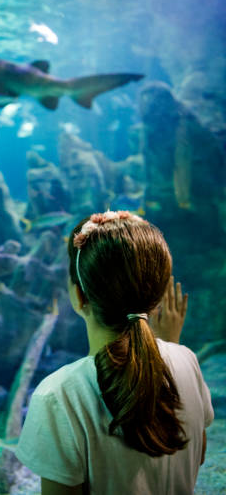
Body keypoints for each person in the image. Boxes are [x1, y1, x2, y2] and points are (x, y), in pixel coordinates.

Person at [15, 210, 214, 495]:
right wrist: (170, 345)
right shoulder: (187, 361)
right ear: (156, 297)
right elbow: (197, 453)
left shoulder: (59, 395)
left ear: (78, 295)